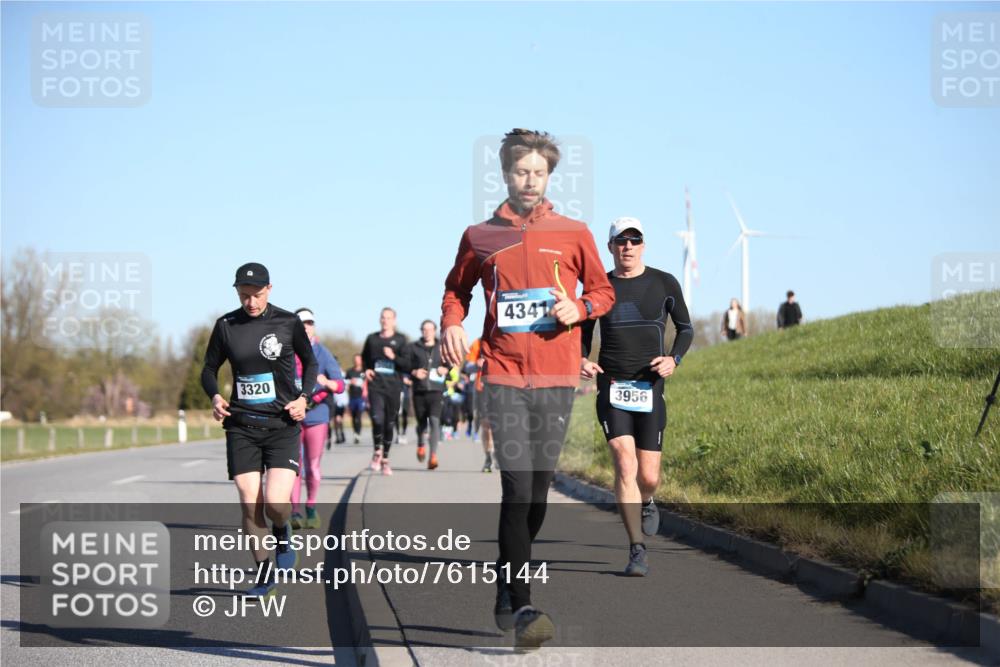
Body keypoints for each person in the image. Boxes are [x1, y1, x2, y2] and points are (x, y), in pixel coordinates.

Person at [441, 129, 615, 651]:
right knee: (516, 488)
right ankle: (522, 601)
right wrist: (452, 322)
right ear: (506, 174)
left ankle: (504, 578)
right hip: (504, 373)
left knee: (538, 493)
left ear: (549, 177)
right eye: (522, 172)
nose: (530, 181)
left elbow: (603, 290)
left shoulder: (573, 232)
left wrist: (579, 308)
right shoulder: (480, 235)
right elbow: (457, 289)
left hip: (558, 375)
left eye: (539, 173)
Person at [580, 217, 694, 576]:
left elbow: (686, 329)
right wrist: (581, 359)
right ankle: (636, 549)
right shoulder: (599, 287)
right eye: (621, 241)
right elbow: (582, 330)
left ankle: (648, 500)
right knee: (624, 464)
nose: (628, 246)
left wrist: (673, 359)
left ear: (643, 244)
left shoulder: (664, 283)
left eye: (635, 240)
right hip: (612, 385)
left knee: (648, 476)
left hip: (650, 388)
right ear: (611, 247)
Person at [201, 262, 314, 597]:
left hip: (282, 424)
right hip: (242, 426)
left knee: (277, 504)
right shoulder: (226, 325)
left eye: (257, 294)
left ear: (270, 289)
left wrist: (304, 398)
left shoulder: (287, 322)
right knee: (250, 502)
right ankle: (265, 574)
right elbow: (208, 368)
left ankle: (282, 532)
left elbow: (311, 363)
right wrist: (215, 395)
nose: (250, 301)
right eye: (244, 295)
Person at [290, 308, 345, 530]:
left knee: (312, 466)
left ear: (314, 326)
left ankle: (311, 507)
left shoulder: (323, 353)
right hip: (291, 417)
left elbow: (340, 384)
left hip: (316, 416)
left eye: (309, 323)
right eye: (301, 323)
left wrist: (326, 382)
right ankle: (294, 511)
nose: (306, 327)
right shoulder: (285, 351)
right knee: (294, 466)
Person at [361, 307, 411, 475]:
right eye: (383, 317)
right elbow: (364, 359)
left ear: (394, 321)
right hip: (376, 386)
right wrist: (366, 370)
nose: (385, 320)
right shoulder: (372, 339)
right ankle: (377, 452)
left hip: (394, 387)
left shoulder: (401, 340)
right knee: (377, 419)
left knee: (390, 423)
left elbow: (407, 364)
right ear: (380, 319)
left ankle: (386, 459)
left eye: (389, 318)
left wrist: (393, 357)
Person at [407, 319, 448, 469]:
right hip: (419, 390)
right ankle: (420, 444)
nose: (427, 332)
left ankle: (433, 456)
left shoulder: (442, 347)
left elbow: (450, 361)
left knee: (435, 422)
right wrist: (414, 372)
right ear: (421, 331)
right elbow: (406, 365)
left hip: (437, 390)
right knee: (422, 423)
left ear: (434, 330)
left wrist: (446, 369)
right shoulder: (413, 347)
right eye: (424, 329)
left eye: (430, 329)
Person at [345, 354, 367, 444]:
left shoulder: (364, 371)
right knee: (353, 416)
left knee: (359, 415)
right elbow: (345, 382)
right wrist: (351, 381)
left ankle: (358, 433)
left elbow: (368, 382)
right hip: (352, 396)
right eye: (355, 359)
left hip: (361, 397)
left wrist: (364, 387)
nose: (357, 361)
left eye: (359, 359)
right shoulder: (350, 371)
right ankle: (355, 432)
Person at [395, 376, 412, 445]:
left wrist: (407, 382)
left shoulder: (408, 372)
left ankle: (404, 433)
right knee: (396, 415)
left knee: (405, 415)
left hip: (405, 397)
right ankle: (398, 434)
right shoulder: (397, 371)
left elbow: (412, 382)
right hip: (397, 395)